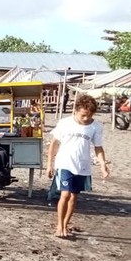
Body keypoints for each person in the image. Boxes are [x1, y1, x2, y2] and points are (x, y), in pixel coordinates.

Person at [47, 94, 109, 238]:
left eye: (90, 115)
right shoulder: (65, 123)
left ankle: (65, 225)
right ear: (76, 110)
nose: (86, 118)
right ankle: (59, 225)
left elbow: (98, 148)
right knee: (65, 194)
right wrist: (50, 164)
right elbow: (54, 144)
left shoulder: (96, 126)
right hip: (65, 162)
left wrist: (103, 165)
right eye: (83, 115)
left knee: (74, 197)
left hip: (83, 165)